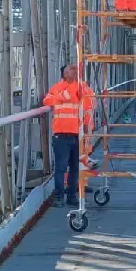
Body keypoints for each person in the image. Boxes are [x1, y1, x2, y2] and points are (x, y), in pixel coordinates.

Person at [44, 64, 95, 206]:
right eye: (71, 71)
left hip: (76, 134)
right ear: (65, 74)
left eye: (75, 71)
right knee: (61, 168)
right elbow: (47, 100)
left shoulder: (78, 87)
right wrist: (60, 97)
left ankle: (71, 195)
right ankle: (60, 196)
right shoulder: (58, 87)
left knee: (74, 167)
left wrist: (61, 97)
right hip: (61, 134)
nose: (75, 73)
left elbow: (87, 99)